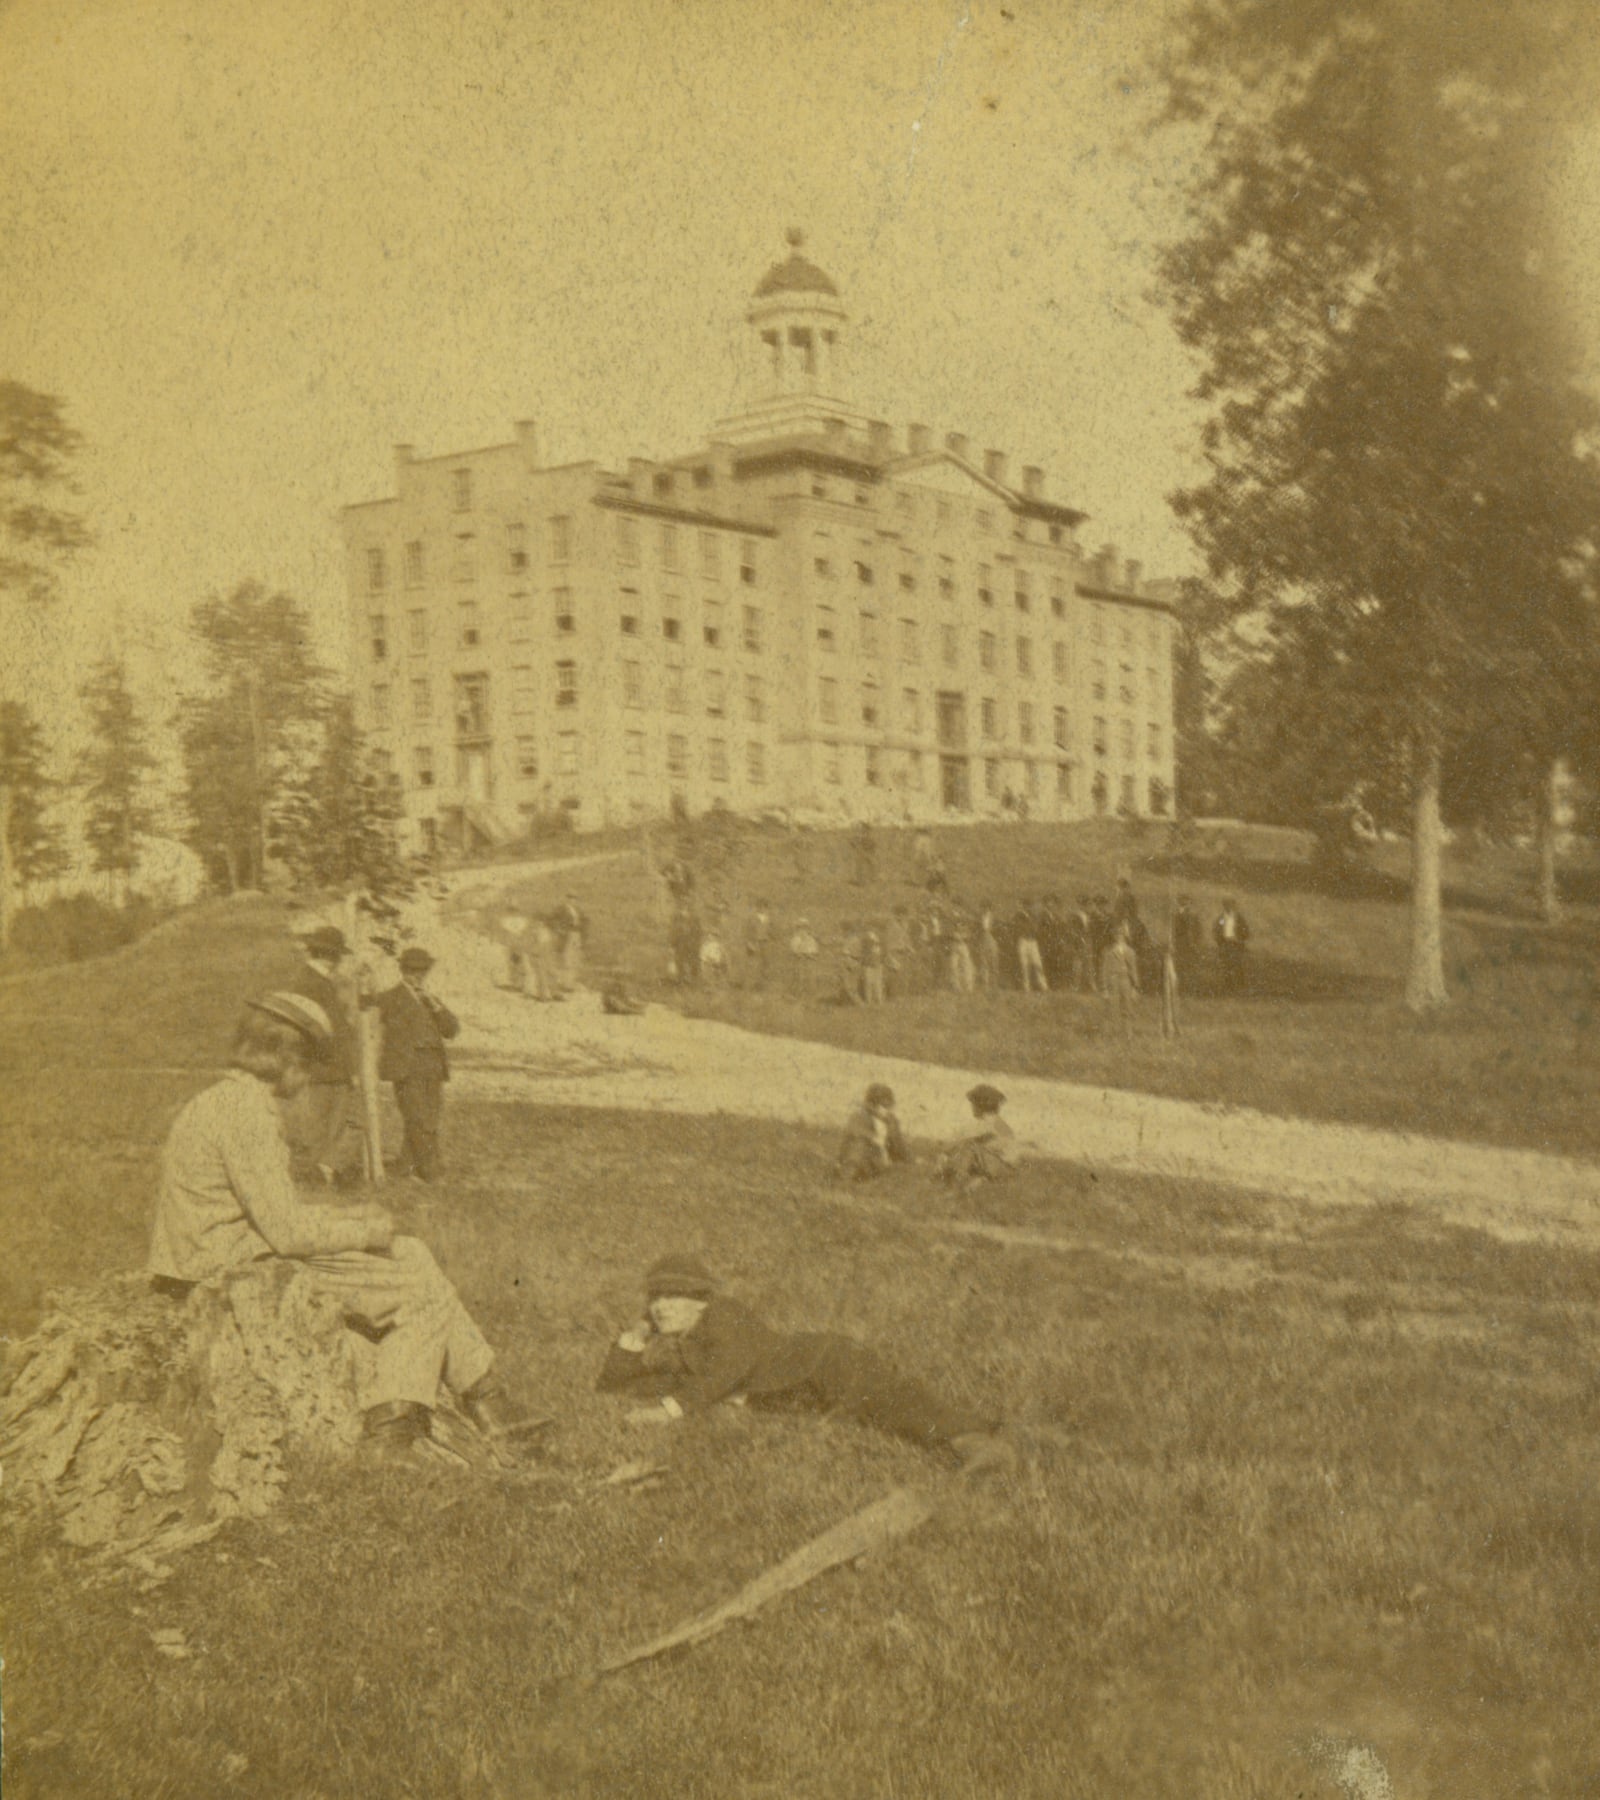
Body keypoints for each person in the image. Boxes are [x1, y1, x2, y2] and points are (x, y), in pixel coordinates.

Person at [148, 992, 511, 1453]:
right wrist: (364, 1231)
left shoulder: (221, 1099)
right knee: (420, 1293)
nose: (310, 1079)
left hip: (211, 1253)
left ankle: (487, 1397)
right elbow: (287, 1233)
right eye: (310, 1064)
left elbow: (263, 1210)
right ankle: (395, 1426)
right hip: (226, 1269)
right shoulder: (248, 1115)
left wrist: (350, 1217)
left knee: (413, 1252)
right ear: (287, 1059)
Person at [597, 1254, 1012, 1474]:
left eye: (675, 1296)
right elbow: (612, 1383)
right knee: (881, 1414)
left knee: (891, 1406)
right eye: (656, 1298)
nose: (663, 1306)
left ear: (701, 1298)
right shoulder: (685, 1336)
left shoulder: (724, 1315)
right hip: (803, 1389)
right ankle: (997, 1436)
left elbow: (729, 1370)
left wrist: (669, 1411)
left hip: (822, 1364)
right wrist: (638, 1331)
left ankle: (977, 1442)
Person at [373, 947, 459, 1183]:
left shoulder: (431, 1000)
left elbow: (452, 1030)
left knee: (429, 1118)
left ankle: (405, 1166)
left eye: (422, 971)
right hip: (406, 1068)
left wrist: (436, 1007)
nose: (417, 975)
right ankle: (431, 1172)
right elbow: (365, 1009)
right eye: (412, 970)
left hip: (433, 1067)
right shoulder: (390, 997)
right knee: (418, 1118)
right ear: (403, 970)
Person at [285, 924, 361, 1185]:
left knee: (336, 1124)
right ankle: (314, 1174)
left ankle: (323, 1173)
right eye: (335, 955)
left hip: (334, 1066)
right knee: (320, 1126)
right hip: (321, 1066)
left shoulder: (323, 982)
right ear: (329, 955)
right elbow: (304, 1027)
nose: (337, 961)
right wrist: (327, 1055)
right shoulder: (307, 982)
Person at [937, 1084, 1020, 1188]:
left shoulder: (990, 1123)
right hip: (1001, 1167)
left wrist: (944, 1151)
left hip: (1004, 1168)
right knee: (970, 1147)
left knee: (970, 1147)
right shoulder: (996, 1122)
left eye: (973, 1104)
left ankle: (954, 1180)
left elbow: (962, 1137)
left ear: (981, 1105)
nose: (972, 1107)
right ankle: (964, 1179)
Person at [835, 1082, 909, 1182]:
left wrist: (907, 1158)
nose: (888, 1110)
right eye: (884, 1106)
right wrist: (874, 1139)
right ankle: (849, 1177)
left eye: (889, 1106)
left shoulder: (891, 1121)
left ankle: (873, 1174)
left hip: (879, 1161)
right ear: (871, 1105)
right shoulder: (860, 1117)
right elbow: (857, 1132)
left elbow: (898, 1145)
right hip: (859, 1159)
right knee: (860, 1145)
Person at [1103, 919, 1141, 1040]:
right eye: (1116, 934)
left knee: (1127, 1007)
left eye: (1121, 934)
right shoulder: (1109, 952)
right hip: (1113, 981)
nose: (1119, 937)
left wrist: (1135, 987)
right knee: (1112, 1007)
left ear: (1125, 936)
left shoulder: (1130, 952)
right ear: (1113, 936)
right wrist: (1104, 989)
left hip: (1126, 981)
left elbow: (1134, 970)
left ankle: (1128, 1033)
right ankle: (1112, 1034)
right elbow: (1104, 970)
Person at [1213, 896, 1251, 994]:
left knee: (1238, 964)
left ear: (1234, 906)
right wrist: (1220, 941)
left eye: (1230, 904)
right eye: (1226, 905)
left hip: (1236, 944)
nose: (1228, 907)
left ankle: (1241, 986)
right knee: (1226, 965)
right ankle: (1228, 986)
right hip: (1225, 944)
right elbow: (1216, 930)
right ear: (1223, 906)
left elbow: (1246, 931)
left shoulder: (1239, 918)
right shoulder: (1221, 918)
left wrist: (1239, 939)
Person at [554, 894, 587, 992]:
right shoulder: (562, 909)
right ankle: (565, 984)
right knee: (567, 959)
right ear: (567, 899)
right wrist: (560, 930)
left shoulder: (577, 910)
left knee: (574, 960)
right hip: (567, 936)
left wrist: (581, 931)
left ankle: (571, 983)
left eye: (574, 899)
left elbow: (583, 921)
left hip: (576, 935)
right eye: (571, 898)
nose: (573, 900)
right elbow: (553, 919)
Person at [1014, 901, 1049, 994]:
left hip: (1032, 942)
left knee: (1037, 964)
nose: (1027, 908)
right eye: (1025, 906)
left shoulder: (1034, 917)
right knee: (1024, 965)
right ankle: (1026, 987)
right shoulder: (1020, 915)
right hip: (1023, 941)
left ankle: (1043, 986)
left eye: (1029, 906)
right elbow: (1018, 927)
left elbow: (1036, 929)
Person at [744, 900, 774, 991]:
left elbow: (772, 932)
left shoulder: (768, 919)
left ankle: (763, 985)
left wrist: (771, 939)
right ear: (757, 908)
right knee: (754, 963)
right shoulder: (752, 918)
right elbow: (747, 932)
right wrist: (749, 943)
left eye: (764, 907)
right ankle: (753, 984)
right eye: (760, 906)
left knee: (765, 963)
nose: (762, 908)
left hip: (765, 943)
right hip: (755, 942)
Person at [787, 916, 820, 997]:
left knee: (811, 977)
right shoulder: (796, 939)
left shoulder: (811, 939)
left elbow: (814, 950)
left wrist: (811, 955)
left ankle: (811, 993)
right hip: (799, 961)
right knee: (799, 977)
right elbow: (794, 950)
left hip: (809, 961)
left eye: (805, 928)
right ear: (797, 929)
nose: (803, 931)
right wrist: (801, 954)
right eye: (800, 928)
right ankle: (797, 993)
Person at [974, 904, 1001, 994]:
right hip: (982, 938)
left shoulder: (993, 917)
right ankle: (985, 985)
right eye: (983, 907)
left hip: (991, 938)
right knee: (983, 962)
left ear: (989, 908)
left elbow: (997, 929)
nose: (984, 909)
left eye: (986, 907)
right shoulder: (979, 917)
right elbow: (977, 929)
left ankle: (994, 984)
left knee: (993, 961)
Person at [860, 927, 886, 1005]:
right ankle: (869, 1001)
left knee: (877, 983)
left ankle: (878, 1000)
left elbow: (882, 955)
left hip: (877, 965)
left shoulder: (879, 945)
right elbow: (865, 955)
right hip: (869, 965)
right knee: (869, 983)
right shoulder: (866, 944)